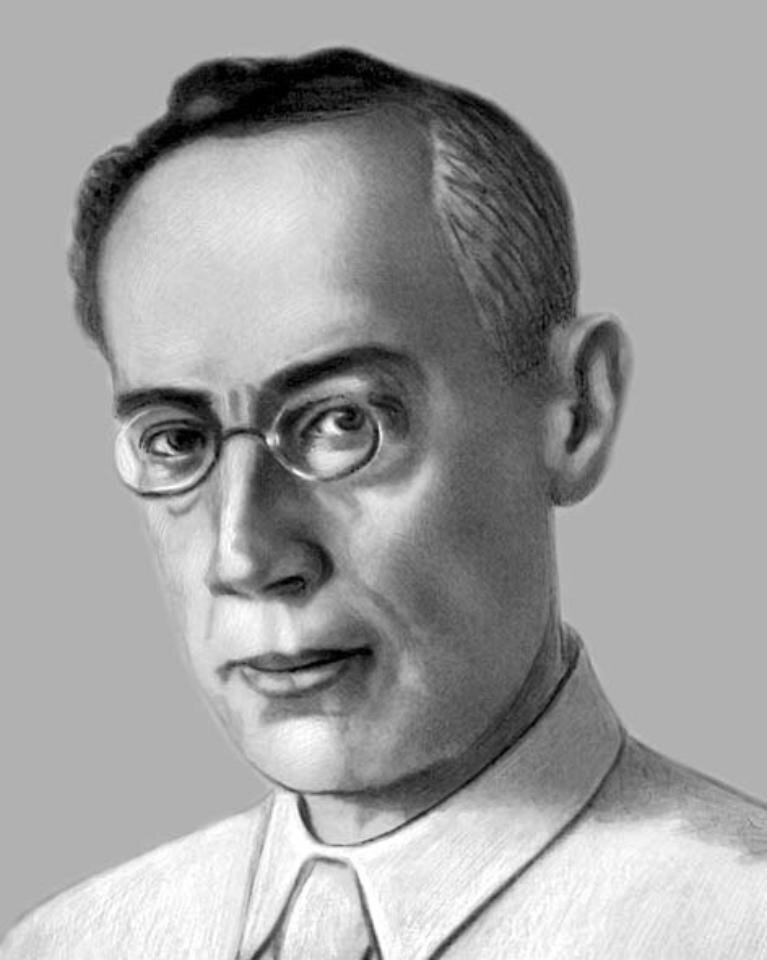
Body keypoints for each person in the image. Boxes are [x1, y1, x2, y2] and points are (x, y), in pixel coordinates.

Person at [3, 47, 765, 960]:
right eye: (177, 440)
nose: (243, 554)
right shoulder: (67, 945)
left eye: (341, 421)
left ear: (575, 412)